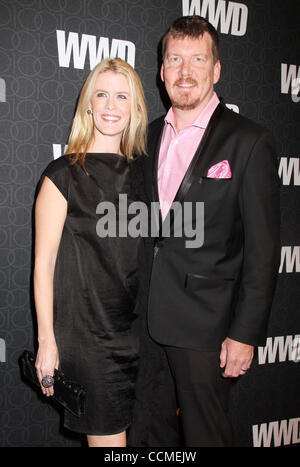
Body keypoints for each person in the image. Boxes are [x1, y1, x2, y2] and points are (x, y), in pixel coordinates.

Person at [135, 16, 280, 447]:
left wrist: (244, 334)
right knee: (149, 434)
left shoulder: (249, 141)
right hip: (144, 320)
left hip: (207, 327)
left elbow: (264, 250)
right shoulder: (146, 137)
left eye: (197, 59)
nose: (185, 71)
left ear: (216, 70)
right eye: (175, 59)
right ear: (161, 72)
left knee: (206, 436)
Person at [33, 58, 147, 447]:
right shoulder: (62, 175)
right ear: (88, 105)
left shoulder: (145, 176)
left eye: (122, 96)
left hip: (144, 336)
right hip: (90, 341)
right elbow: (43, 264)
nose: (112, 105)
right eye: (102, 94)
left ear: (135, 108)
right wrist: (47, 342)